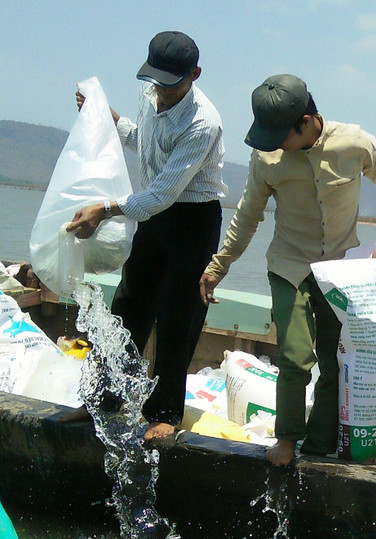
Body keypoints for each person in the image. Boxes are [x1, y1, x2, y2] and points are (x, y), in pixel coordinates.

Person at [199, 74, 376, 466]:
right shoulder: (267, 158)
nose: (275, 144)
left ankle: (320, 445)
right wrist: (218, 266)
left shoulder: (355, 143)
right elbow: (247, 217)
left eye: (281, 135)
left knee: (335, 359)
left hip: (339, 269)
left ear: (307, 122)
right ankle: (288, 440)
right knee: (294, 357)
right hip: (289, 265)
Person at [65, 30, 226, 440]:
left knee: (177, 317)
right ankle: (105, 398)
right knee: (129, 304)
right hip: (154, 214)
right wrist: (109, 119)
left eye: (172, 84)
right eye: (156, 82)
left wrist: (105, 210)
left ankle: (165, 413)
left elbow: (163, 191)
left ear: (195, 74)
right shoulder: (151, 95)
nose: (162, 92)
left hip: (192, 220)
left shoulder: (203, 122)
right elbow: (146, 143)